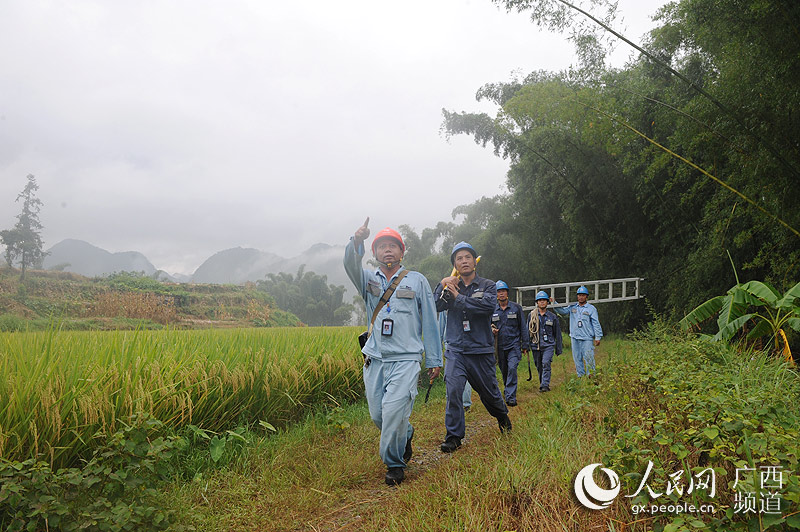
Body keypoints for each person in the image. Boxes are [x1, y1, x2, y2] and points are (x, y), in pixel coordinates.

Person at [344, 217, 442, 486]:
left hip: (406, 358)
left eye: (393, 246)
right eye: (382, 246)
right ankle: (406, 432)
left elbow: (431, 322)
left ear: (402, 251)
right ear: (374, 252)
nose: (387, 250)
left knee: (394, 410)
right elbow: (350, 264)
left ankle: (394, 464)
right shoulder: (366, 279)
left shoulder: (417, 280)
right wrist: (356, 241)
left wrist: (434, 358)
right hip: (374, 359)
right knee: (379, 415)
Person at [434, 241, 512, 453]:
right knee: (453, 390)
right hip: (456, 350)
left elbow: (487, 306)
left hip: (480, 350)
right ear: (455, 264)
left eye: (467, 256)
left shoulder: (488, 285)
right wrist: (441, 285)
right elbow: (436, 305)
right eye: (459, 258)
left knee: (490, 394)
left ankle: (501, 415)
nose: (464, 261)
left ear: (474, 261)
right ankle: (454, 437)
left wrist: (458, 297)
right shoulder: (449, 286)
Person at [491, 280, 531, 406]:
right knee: (505, 370)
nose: (501, 294)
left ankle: (511, 396)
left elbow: (523, 327)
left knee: (512, 368)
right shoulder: (492, 309)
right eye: (499, 292)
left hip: (514, 345)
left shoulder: (516, 308)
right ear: (496, 294)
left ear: (507, 293)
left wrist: (525, 345)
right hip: (499, 346)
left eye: (503, 291)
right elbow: (486, 325)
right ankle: (508, 391)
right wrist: (491, 329)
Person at [553, 286, 603, 377]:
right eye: (579, 295)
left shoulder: (591, 308)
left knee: (589, 357)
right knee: (577, 358)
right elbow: (563, 311)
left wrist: (598, 337)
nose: (581, 297)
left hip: (587, 338)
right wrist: (554, 303)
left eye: (583, 295)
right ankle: (580, 376)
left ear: (586, 297)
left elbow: (596, 323)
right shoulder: (572, 306)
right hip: (574, 337)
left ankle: (591, 376)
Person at [528, 290, 563, 391]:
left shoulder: (553, 317)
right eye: (540, 300)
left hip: (548, 345)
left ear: (547, 302)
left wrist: (558, 348)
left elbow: (558, 334)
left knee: (546, 363)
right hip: (535, 345)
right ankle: (542, 382)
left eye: (544, 300)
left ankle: (545, 385)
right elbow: (528, 331)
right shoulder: (531, 316)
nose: (542, 302)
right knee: (539, 365)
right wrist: (525, 346)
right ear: (537, 302)